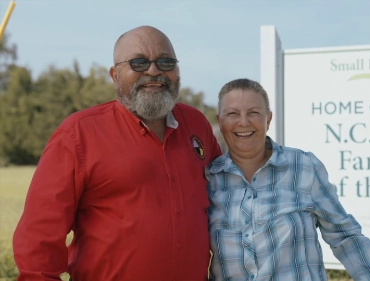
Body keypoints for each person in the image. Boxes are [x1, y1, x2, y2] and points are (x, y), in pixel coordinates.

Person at [13, 25, 221, 281]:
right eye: (139, 63)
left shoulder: (197, 125)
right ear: (115, 75)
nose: (154, 71)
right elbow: (39, 237)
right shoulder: (78, 134)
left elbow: (230, 196)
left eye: (166, 62)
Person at [207, 78, 370, 281]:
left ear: (268, 119)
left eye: (253, 113)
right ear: (220, 121)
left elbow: (346, 237)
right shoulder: (208, 180)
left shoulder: (303, 167)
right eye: (232, 113)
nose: (243, 122)